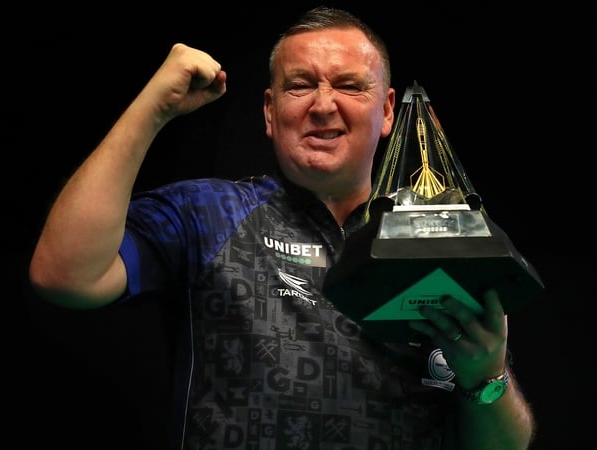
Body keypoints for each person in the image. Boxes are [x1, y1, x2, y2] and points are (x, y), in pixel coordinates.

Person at [29, 6, 536, 450]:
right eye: (300, 85)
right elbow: (64, 275)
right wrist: (152, 108)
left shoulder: (440, 237)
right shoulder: (208, 213)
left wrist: (486, 380)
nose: (322, 104)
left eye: (348, 85)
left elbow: (504, 444)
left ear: (386, 112)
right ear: (271, 112)